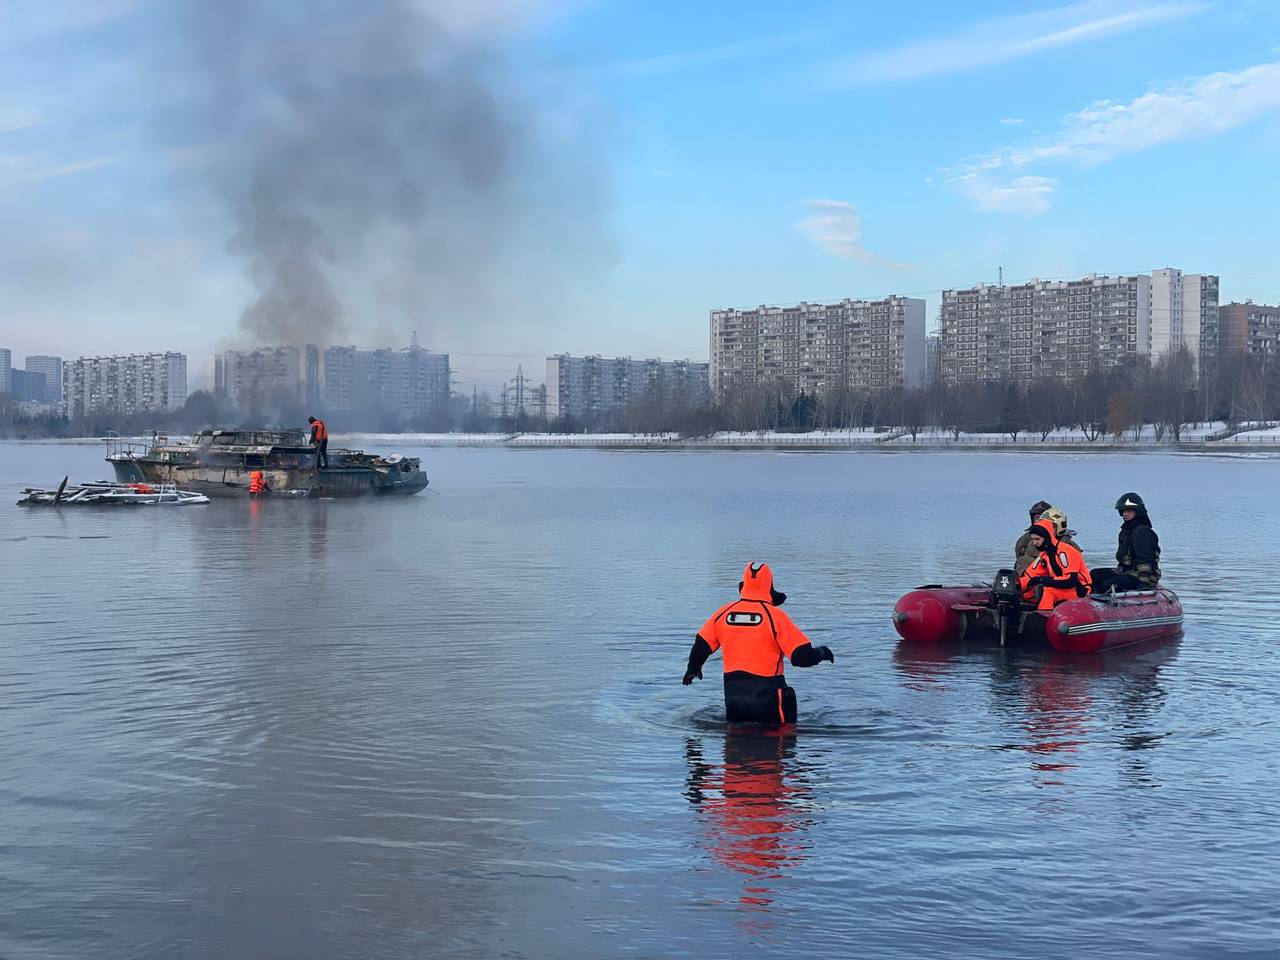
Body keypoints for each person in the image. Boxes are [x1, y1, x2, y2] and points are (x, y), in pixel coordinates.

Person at [682, 562, 835, 725]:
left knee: (735, 744)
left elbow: (701, 646)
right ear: (770, 586)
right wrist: (822, 652)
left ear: (743, 585)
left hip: (735, 701)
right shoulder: (775, 616)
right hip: (769, 703)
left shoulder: (722, 614)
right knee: (781, 739)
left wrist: (693, 669)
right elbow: (801, 658)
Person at [1092, 492, 1161, 594]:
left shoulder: (1142, 532)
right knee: (1095, 574)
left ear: (1138, 511)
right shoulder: (1126, 531)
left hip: (1141, 577)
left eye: (1129, 511)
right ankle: (1092, 602)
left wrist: (1144, 584)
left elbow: (1146, 560)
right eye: (1123, 511)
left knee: (1108, 584)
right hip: (1127, 572)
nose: (1125, 514)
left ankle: (1108, 602)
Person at [1018, 519, 1092, 611]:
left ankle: (1043, 618)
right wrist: (1016, 584)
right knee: (1026, 594)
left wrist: (1042, 580)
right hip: (1060, 586)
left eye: (1037, 539)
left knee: (1049, 591)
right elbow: (1030, 576)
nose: (1034, 543)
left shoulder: (1067, 551)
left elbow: (1070, 581)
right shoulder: (1044, 555)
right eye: (1033, 539)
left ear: (1047, 537)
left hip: (1079, 589)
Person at [1015, 500, 1053, 574]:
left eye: (1044, 518)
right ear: (1033, 520)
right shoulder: (1024, 540)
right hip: (1030, 577)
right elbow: (1020, 562)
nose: (1040, 521)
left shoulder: (1062, 540)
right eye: (1038, 518)